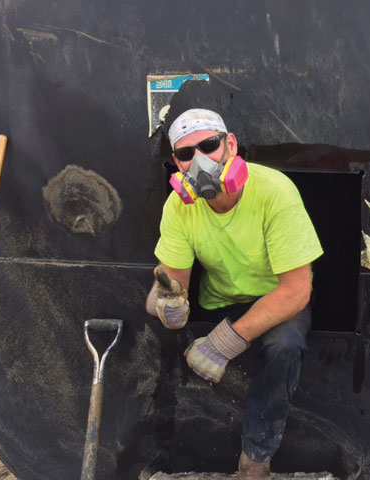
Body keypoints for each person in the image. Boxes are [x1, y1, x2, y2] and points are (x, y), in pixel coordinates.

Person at [146, 108, 323, 479]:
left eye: (208, 146)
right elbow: (170, 282)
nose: (198, 161)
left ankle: (255, 460)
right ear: (176, 164)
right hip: (221, 299)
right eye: (185, 154)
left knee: (285, 347)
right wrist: (166, 303)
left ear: (230, 145)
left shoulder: (274, 191)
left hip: (278, 297)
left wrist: (226, 342)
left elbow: (297, 290)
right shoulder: (179, 206)